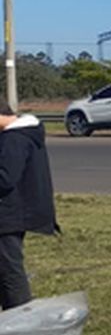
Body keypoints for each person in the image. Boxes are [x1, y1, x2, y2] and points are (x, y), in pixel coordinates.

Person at [0, 102, 59, 310]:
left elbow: (5, 178)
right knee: (7, 272)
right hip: (14, 213)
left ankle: (20, 323)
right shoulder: (22, 134)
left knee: (10, 274)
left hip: (9, 216)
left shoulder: (14, 139)